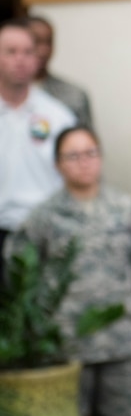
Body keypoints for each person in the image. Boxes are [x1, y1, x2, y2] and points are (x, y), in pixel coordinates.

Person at [8, 126, 131, 416]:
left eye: (90, 153)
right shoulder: (43, 217)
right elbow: (22, 273)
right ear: (57, 164)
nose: (84, 162)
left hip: (119, 340)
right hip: (66, 343)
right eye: (73, 155)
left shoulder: (126, 209)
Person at [0, 19, 76, 278]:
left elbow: (75, 177)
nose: (20, 60)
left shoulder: (58, 116)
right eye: (11, 51)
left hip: (44, 235)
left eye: (28, 52)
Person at [26, 16, 94, 128]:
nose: (43, 51)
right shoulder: (7, 96)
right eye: (36, 41)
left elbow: (85, 141)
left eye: (49, 42)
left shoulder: (74, 95)